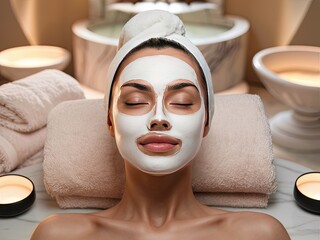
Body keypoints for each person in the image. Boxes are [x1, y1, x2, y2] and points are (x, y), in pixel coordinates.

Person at [31, 10, 290, 240]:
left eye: (182, 102)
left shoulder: (258, 235)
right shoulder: (58, 235)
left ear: (206, 122)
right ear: (110, 121)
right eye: (134, 102)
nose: (158, 117)